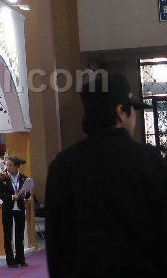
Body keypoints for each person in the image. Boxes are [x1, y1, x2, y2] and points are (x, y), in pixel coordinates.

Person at [45, 73, 167, 277]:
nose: (135, 118)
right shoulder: (148, 161)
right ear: (120, 112)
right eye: (132, 110)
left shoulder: (63, 166)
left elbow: (55, 243)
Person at [0, 155, 31, 268]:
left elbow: (28, 195)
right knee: (7, 234)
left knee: (19, 234)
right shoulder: (3, 179)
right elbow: (0, 194)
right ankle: (10, 260)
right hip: (8, 208)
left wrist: (23, 193)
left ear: (17, 166)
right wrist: (12, 197)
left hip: (19, 208)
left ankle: (20, 258)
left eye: (10, 165)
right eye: (7, 165)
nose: (8, 167)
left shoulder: (24, 178)